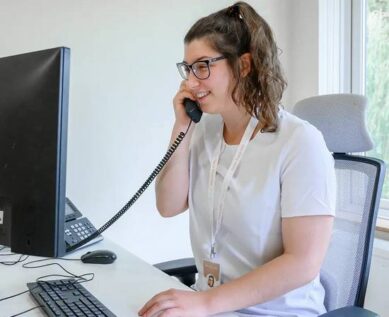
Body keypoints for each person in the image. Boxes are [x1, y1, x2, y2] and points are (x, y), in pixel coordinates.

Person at [139, 2, 336, 317]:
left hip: (278, 312)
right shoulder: (205, 131)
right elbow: (168, 205)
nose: (190, 82)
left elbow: (303, 263)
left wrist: (205, 303)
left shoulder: (299, 142)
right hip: (213, 306)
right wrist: (182, 128)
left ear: (244, 65)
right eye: (188, 69)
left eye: (202, 66)